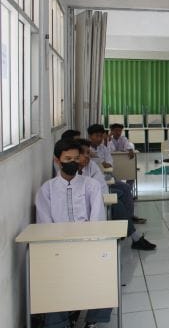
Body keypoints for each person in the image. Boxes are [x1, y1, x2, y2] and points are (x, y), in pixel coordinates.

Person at [36, 139, 112, 328]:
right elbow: (45, 227)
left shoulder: (91, 186)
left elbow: (97, 221)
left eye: (76, 159)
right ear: (57, 160)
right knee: (52, 278)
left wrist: (89, 246)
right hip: (57, 248)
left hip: (87, 245)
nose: (72, 162)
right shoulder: (47, 190)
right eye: (67, 159)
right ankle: (60, 321)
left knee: (107, 271)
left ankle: (92, 321)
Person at [77, 139, 155, 250]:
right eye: (83, 153)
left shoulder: (91, 165)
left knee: (124, 191)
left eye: (88, 153)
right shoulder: (70, 172)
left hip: (99, 196)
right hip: (86, 204)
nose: (87, 156)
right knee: (117, 203)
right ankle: (133, 235)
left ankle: (128, 226)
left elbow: (101, 185)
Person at [88, 124, 147, 225]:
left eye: (101, 136)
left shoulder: (103, 147)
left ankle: (129, 216)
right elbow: (98, 164)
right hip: (97, 180)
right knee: (123, 190)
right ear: (90, 136)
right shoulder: (87, 150)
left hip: (107, 176)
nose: (99, 139)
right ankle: (126, 218)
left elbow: (110, 161)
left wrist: (106, 163)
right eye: (96, 136)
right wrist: (102, 162)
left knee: (126, 187)